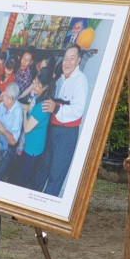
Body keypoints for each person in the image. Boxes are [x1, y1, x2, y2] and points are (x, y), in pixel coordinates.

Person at [40, 45, 88, 196]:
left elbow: (77, 111)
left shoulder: (80, 81)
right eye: (65, 58)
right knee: (44, 167)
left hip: (66, 134)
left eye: (72, 58)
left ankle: (46, 211)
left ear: (79, 61)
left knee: (56, 173)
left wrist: (56, 108)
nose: (67, 62)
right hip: (52, 129)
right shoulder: (61, 79)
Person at [14, 68, 55, 191]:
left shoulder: (42, 107)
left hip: (32, 150)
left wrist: (25, 112)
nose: (34, 86)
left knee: (22, 179)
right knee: (24, 175)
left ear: (45, 86)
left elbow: (26, 128)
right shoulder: (42, 100)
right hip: (36, 146)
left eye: (37, 84)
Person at [0, 83, 23, 179]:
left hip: (7, 148)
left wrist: (3, 130)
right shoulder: (3, 103)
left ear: (10, 99)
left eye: (4, 94)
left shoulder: (17, 113)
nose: (2, 95)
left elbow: (13, 141)